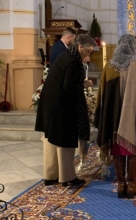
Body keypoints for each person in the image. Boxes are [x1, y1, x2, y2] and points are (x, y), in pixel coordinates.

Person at [94, 34, 136, 199]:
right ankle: (131, 184)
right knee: (133, 145)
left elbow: (101, 95)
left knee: (117, 148)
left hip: (113, 117)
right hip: (134, 115)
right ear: (132, 46)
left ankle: (121, 184)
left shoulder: (109, 66)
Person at [35, 34, 95, 187]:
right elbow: (68, 87)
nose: (89, 55)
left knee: (51, 140)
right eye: (88, 51)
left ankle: (50, 175)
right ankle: (67, 178)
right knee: (65, 141)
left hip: (51, 105)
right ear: (80, 47)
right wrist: (84, 84)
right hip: (62, 107)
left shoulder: (66, 55)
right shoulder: (73, 61)